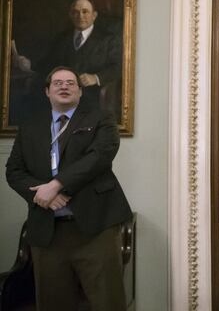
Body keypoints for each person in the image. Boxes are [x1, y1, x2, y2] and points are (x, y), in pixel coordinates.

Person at [5, 66, 132, 311]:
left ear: (81, 92)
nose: (64, 86)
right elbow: (14, 171)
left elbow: (100, 156)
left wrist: (56, 185)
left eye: (71, 83)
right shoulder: (29, 127)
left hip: (96, 228)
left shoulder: (101, 119)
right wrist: (41, 196)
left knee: (108, 302)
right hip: (47, 230)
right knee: (54, 303)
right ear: (47, 91)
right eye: (58, 83)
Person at [14, 0, 122, 115]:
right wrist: (30, 64)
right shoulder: (63, 38)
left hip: (90, 95)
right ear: (70, 15)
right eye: (76, 12)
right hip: (60, 94)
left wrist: (95, 78)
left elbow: (118, 67)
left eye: (85, 12)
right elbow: (49, 62)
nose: (80, 16)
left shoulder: (108, 39)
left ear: (94, 15)